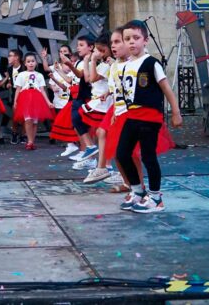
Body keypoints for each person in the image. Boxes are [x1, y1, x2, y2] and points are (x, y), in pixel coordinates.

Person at [116, 20, 182, 213]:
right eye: (127, 39)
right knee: (122, 153)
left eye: (136, 38)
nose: (131, 42)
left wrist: (175, 112)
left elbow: (166, 88)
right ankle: (137, 191)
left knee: (148, 156)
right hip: (132, 114)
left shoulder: (151, 63)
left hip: (149, 116)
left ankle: (155, 197)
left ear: (145, 40)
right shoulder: (127, 65)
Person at [73, 32, 112, 171]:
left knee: (103, 133)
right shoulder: (104, 63)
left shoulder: (108, 65)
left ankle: (105, 165)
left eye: (102, 50)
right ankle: (97, 159)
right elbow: (89, 78)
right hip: (98, 101)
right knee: (98, 132)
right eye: (98, 50)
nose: (98, 53)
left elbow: (92, 78)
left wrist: (93, 61)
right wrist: (87, 61)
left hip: (104, 103)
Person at [62, 35, 95, 161]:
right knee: (77, 122)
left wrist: (70, 65)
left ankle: (90, 154)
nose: (78, 48)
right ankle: (89, 153)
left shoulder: (93, 61)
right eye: (78, 45)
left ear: (91, 47)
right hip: (81, 96)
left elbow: (83, 76)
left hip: (90, 97)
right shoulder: (82, 61)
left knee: (96, 130)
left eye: (81, 45)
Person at [13, 52, 55, 150]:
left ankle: (32, 141)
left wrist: (48, 102)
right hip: (25, 98)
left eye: (33, 61)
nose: (31, 63)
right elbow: (18, 89)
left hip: (37, 98)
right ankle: (30, 141)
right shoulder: (21, 75)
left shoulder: (39, 75)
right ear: (25, 63)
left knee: (35, 122)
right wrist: (15, 101)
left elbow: (42, 90)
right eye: (28, 61)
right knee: (28, 119)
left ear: (36, 63)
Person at [5, 49, 24, 144]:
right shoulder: (9, 69)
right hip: (15, 94)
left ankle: (23, 135)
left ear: (16, 57)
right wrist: (8, 83)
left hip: (25, 94)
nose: (8, 57)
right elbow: (10, 79)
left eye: (10, 55)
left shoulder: (24, 68)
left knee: (25, 116)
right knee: (15, 115)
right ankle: (14, 133)